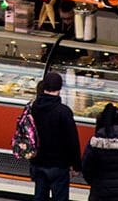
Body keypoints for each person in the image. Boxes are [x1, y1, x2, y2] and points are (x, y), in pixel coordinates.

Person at [29, 71, 81, 201]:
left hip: (38, 162)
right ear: (60, 88)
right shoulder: (63, 112)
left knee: (40, 196)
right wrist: (76, 165)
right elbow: (72, 141)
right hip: (58, 165)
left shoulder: (33, 107)